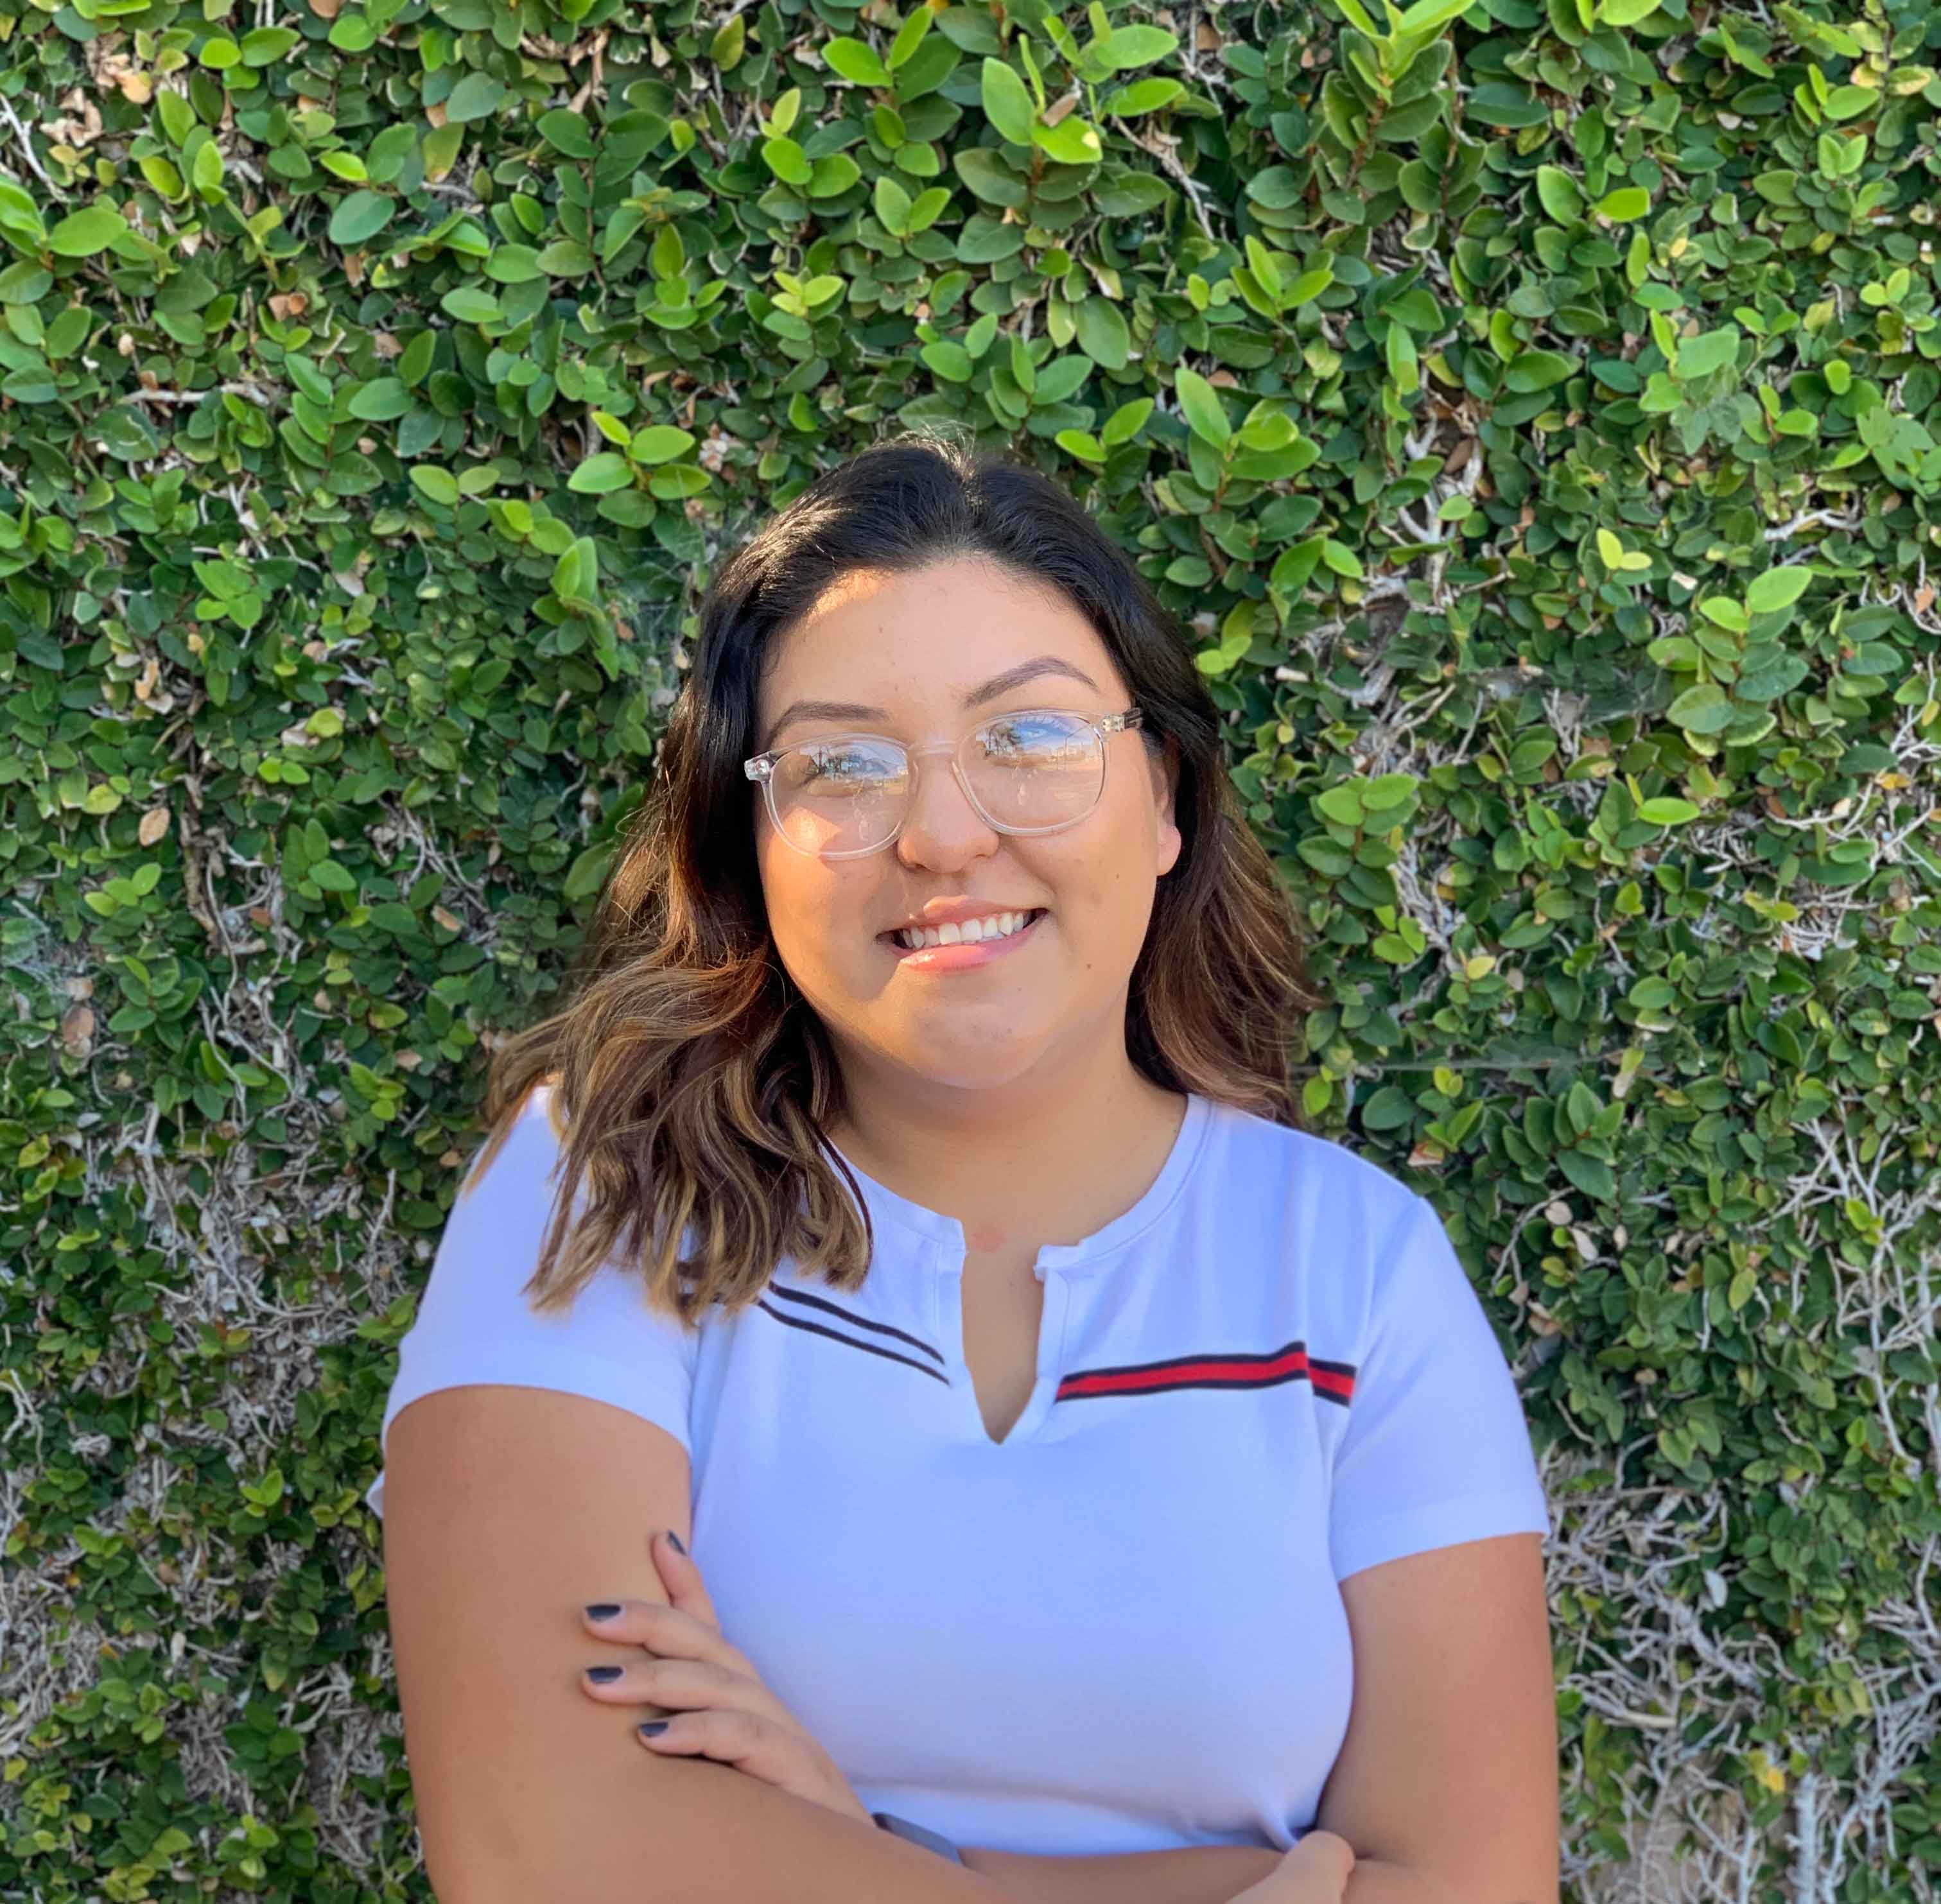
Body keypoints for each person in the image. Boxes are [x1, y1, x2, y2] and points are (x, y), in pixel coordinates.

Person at [365, 429, 1558, 1904]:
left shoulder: (1358, 1272)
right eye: (845, 764)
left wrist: (865, 1854)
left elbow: (1465, 1886)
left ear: (1167, 797)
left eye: (1032, 737)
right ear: (751, 843)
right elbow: (547, 1853)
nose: (942, 833)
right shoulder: (603, 1187)